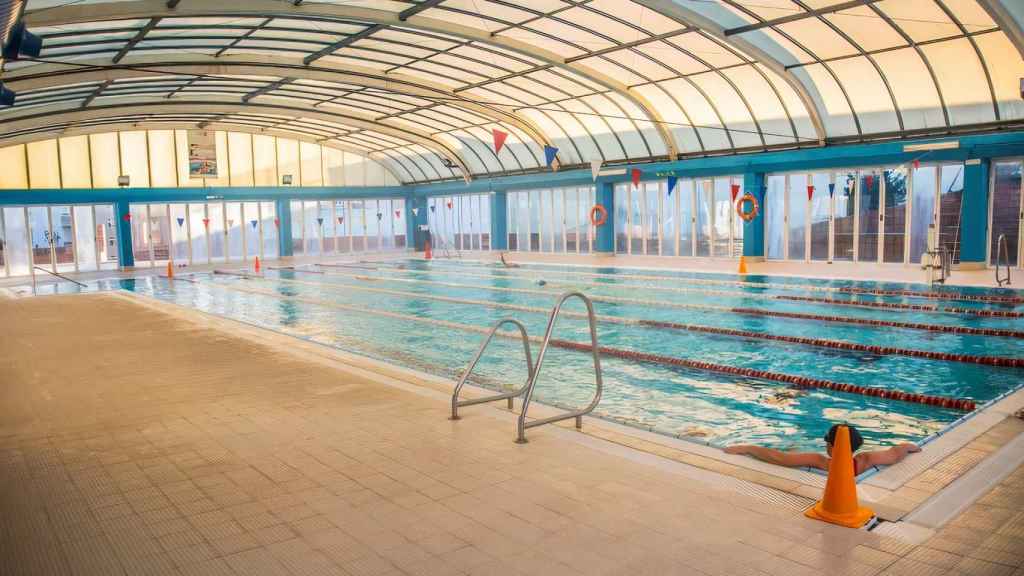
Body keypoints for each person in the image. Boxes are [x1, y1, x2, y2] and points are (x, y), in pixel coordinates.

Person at [724, 424, 920, 475]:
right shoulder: (864, 460)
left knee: (792, 447)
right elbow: (895, 454)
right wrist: (908, 446)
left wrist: (748, 448)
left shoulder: (822, 462)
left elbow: (780, 458)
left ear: (831, 446)